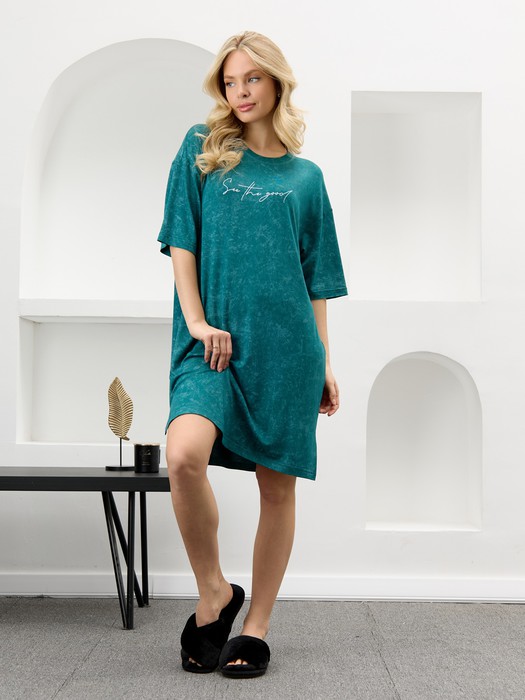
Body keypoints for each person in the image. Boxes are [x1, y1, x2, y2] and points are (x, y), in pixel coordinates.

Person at [157, 30, 348, 679]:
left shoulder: (305, 178)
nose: (240, 92)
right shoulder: (202, 148)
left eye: (252, 79)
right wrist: (197, 321)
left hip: (286, 354)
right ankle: (214, 591)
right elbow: (181, 240)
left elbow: (316, 279)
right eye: (230, 81)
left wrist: (322, 361)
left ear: (276, 82)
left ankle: (256, 626)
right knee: (183, 455)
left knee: (276, 490)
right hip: (209, 348)